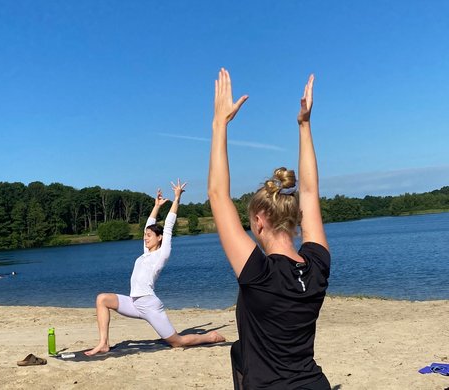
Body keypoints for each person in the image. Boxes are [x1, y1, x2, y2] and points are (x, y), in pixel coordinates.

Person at [208, 69, 331, 389]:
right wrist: (304, 126)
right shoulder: (317, 266)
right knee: (238, 351)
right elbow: (309, 192)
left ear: (260, 220)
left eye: (250, 223)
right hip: (315, 384)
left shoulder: (258, 274)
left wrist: (219, 123)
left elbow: (218, 195)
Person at [85, 180, 225, 356]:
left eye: (149, 236)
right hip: (134, 302)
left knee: (177, 342)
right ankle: (103, 343)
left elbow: (168, 226)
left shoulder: (161, 254)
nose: (146, 238)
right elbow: (148, 225)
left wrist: (176, 198)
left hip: (149, 305)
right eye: (145, 236)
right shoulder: (145, 253)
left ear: (159, 238)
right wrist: (156, 205)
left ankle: (210, 337)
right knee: (102, 299)